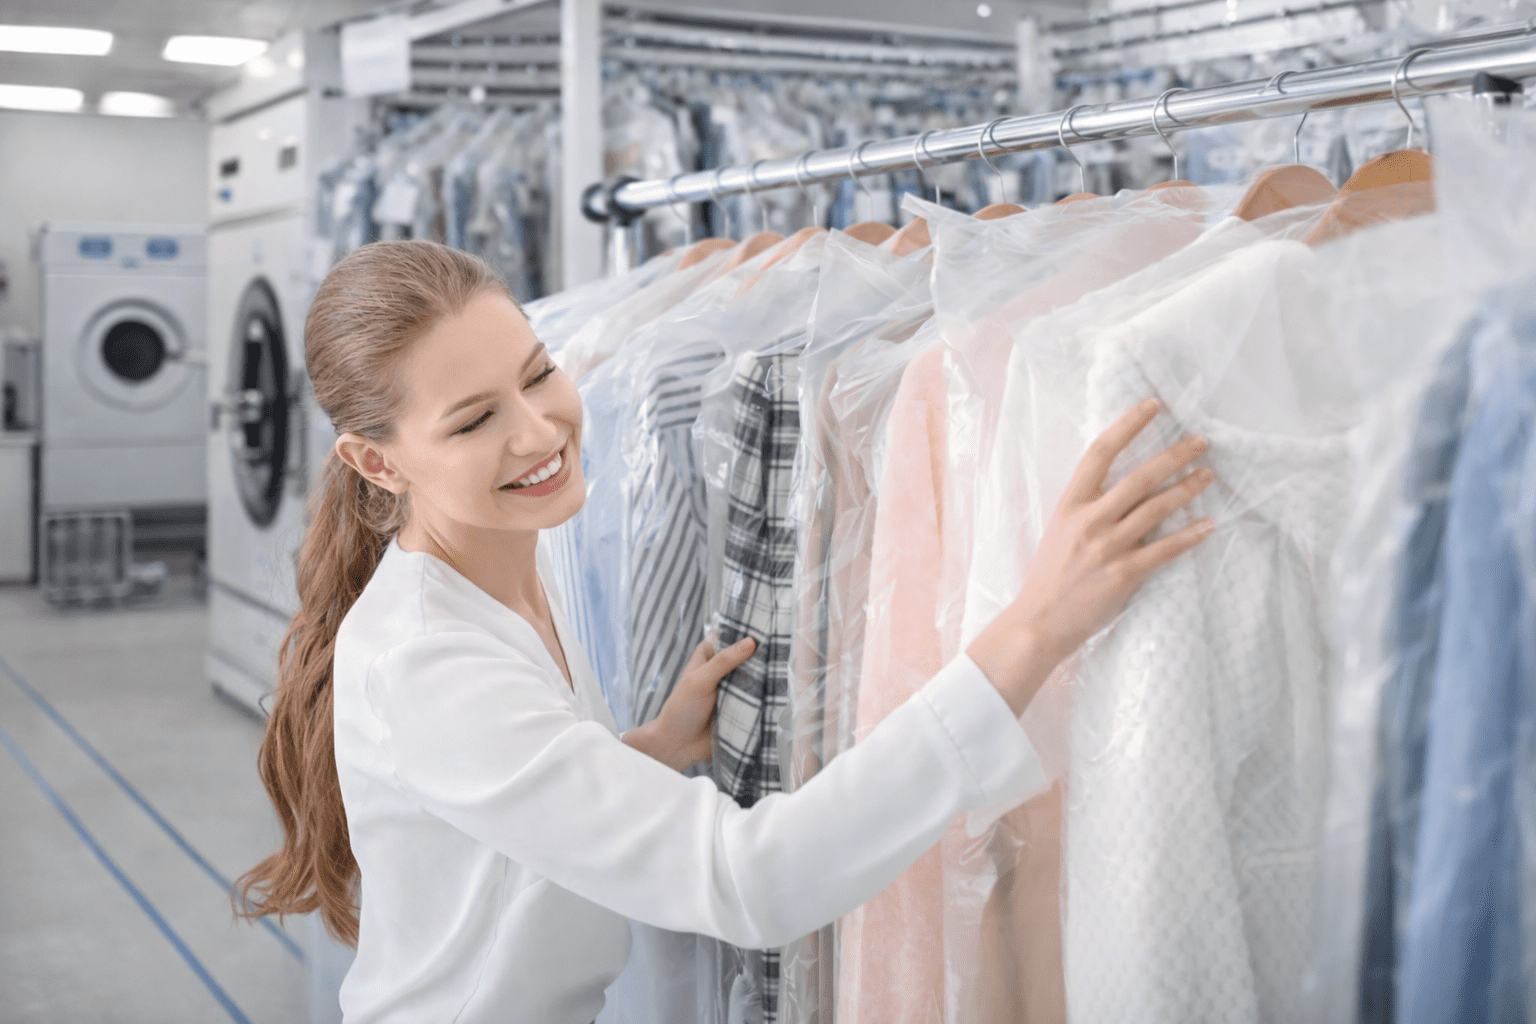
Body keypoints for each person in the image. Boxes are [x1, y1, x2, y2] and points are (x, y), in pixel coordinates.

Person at [235, 240, 1215, 1023]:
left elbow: (511, 819)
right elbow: (755, 879)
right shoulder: (425, 659)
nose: (538, 431)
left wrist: (646, 752)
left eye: (539, 374)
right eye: (474, 419)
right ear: (379, 461)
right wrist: (1036, 625)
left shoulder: (503, 558)